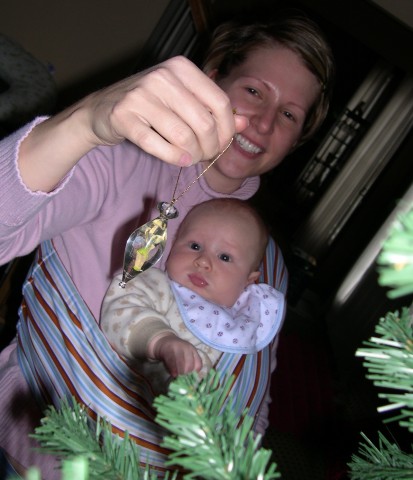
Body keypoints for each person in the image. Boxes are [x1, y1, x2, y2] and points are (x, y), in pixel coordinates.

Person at [0, 10, 334, 479]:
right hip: (28, 452)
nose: (262, 123)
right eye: (254, 91)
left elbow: (249, 405)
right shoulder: (116, 160)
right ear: (213, 76)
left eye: (289, 114)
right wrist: (84, 124)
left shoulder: (268, 263)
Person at [101, 198, 285, 395]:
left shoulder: (243, 324)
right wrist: (161, 341)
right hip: (126, 401)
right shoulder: (158, 285)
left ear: (248, 281)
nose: (203, 261)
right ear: (173, 245)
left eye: (225, 257)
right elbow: (119, 313)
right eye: (195, 246)